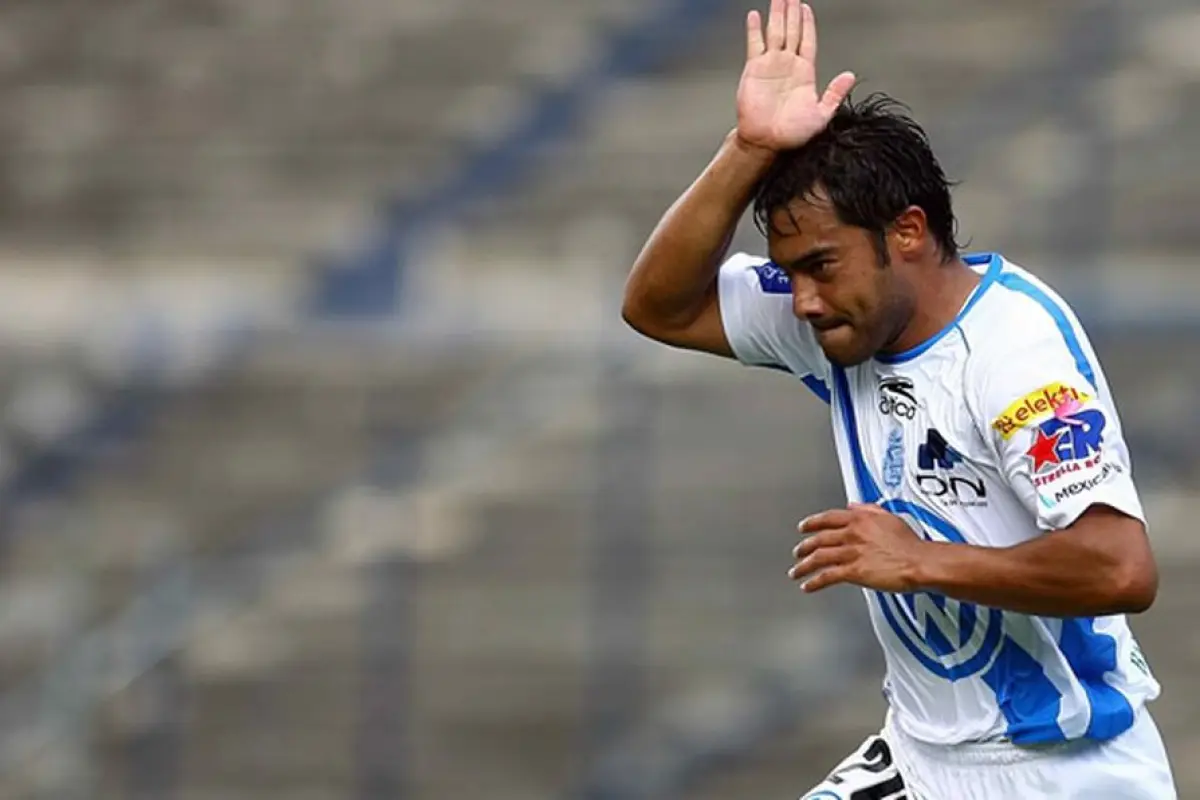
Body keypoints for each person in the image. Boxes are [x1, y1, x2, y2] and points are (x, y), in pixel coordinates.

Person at [620, 1, 1178, 797]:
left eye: (821, 265)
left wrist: (918, 560)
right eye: (791, 272)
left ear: (907, 233)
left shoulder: (1014, 354)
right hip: (922, 760)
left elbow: (1121, 569)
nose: (802, 300)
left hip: (1067, 772)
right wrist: (748, 149)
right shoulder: (842, 319)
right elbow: (659, 306)